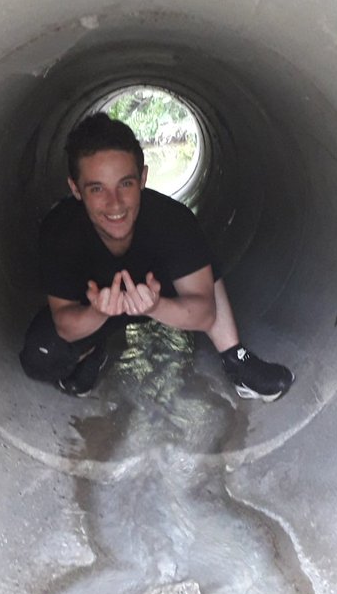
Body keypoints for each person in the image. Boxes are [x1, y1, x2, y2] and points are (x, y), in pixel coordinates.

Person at [19, 113, 293, 401]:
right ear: (76, 189)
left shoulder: (172, 220)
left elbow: (204, 313)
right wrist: (98, 312)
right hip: (98, 307)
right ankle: (93, 350)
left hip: (164, 293)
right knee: (40, 357)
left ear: (143, 179)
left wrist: (156, 305)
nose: (115, 204)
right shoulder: (60, 230)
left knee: (199, 259)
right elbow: (65, 325)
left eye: (125, 184)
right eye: (97, 189)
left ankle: (236, 358)